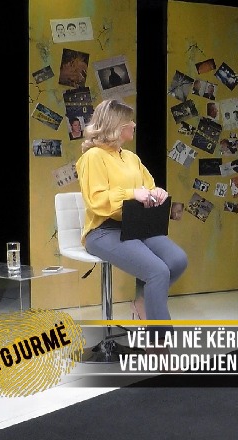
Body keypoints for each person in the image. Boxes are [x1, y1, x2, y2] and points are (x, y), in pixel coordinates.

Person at [76, 100, 188, 336]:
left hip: (135, 225)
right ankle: (159, 342)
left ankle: (143, 303)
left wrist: (157, 193)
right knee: (158, 271)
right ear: (116, 125)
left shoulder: (131, 158)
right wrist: (131, 194)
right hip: (103, 231)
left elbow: (148, 187)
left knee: (177, 260)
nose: (134, 124)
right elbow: (96, 200)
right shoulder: (93, 157)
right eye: (129, 121)